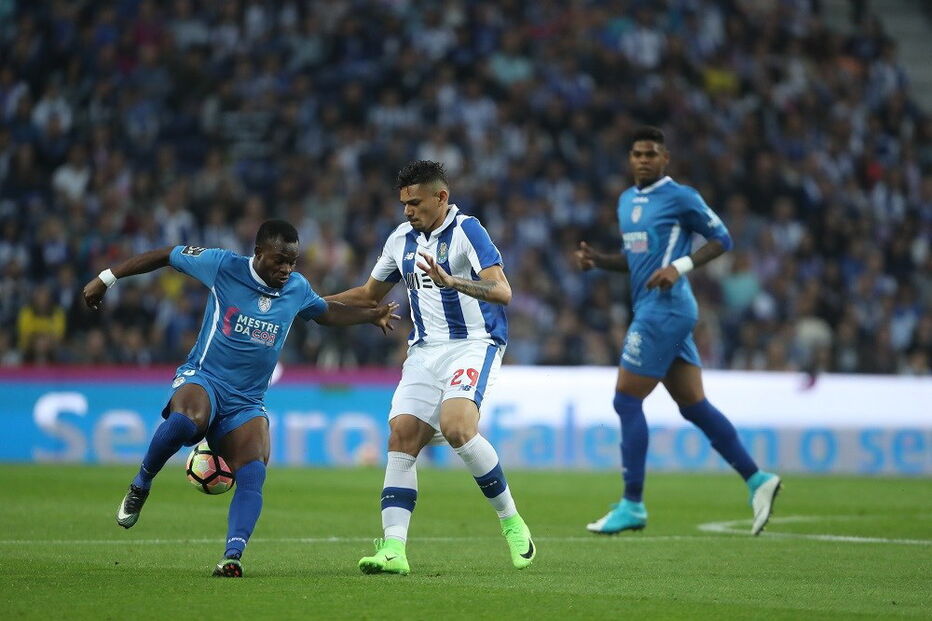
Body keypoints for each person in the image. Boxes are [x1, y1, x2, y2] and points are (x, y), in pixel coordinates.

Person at [82, 220, 399, 577]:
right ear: (259, 252)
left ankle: (232, 556)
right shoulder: (223, 265)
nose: (287, 269)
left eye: (292, 262)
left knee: (253, 472)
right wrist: (106, 278)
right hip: (206, 378)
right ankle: (141, 484)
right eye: (280, 260)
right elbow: (164, 256)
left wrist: (370, 315)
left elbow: (324, 314)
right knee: (187, 422)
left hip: (247, 401)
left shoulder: (296, 287)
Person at [327, 160, 535, 575]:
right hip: (424, 351)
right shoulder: (399, 240)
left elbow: (503, 291)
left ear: (442, 197)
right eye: (404, 203)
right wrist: (310, 304)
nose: (408, 211)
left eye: (416, 202)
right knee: (402, 433)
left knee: (458, 425)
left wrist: (453, 281)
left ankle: (512, 522)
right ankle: (393, 550)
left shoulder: (467, 230)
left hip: (474, 344)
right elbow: (370, 293)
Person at [575, 126, 781, 536]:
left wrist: (680, 266)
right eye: (636, 153)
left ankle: (632, 504)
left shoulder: (680, 197)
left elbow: (722, 238)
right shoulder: (626, 201)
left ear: (665, 158)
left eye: (651, 153)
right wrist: (599, 260)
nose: (643, 160)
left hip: (665, 311)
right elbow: (637, 261)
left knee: (626, 399)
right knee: (693, 405)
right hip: (655, 309)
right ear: (630, 159)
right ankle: (758, 479)